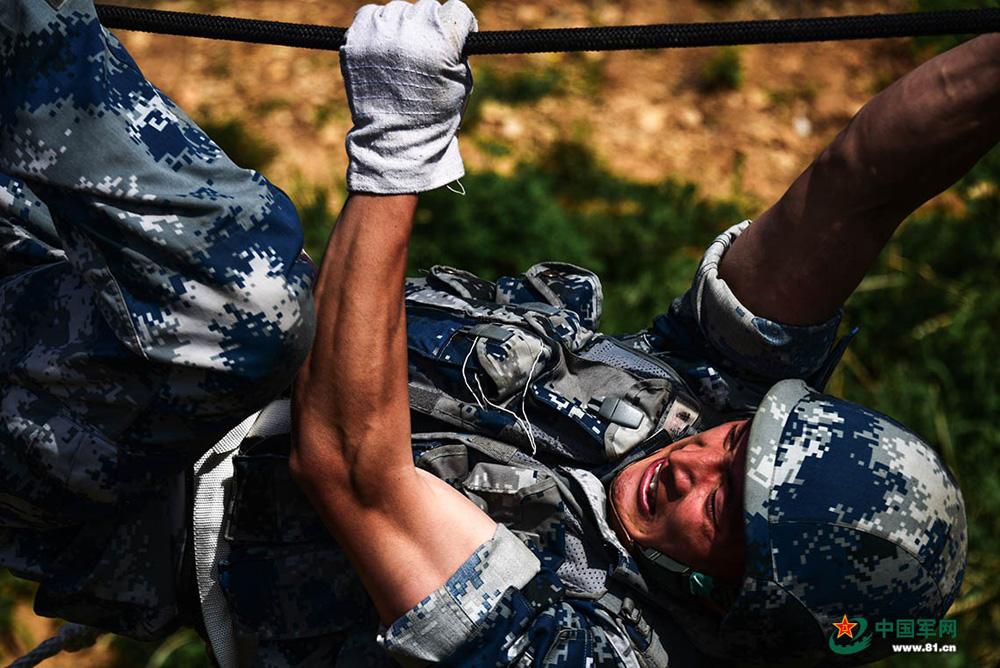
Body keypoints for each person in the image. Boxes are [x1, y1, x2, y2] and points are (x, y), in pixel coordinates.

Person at [1, 0, 990, 666]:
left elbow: (352, 467)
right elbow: (861, 181)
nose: (694, 465)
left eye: (727, 512)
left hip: (113, 466)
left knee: (247, 282)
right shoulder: (710, 407)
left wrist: (399, 152)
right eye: (733, 443)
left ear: (744, 604)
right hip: (144, 320)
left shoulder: (584, 649)